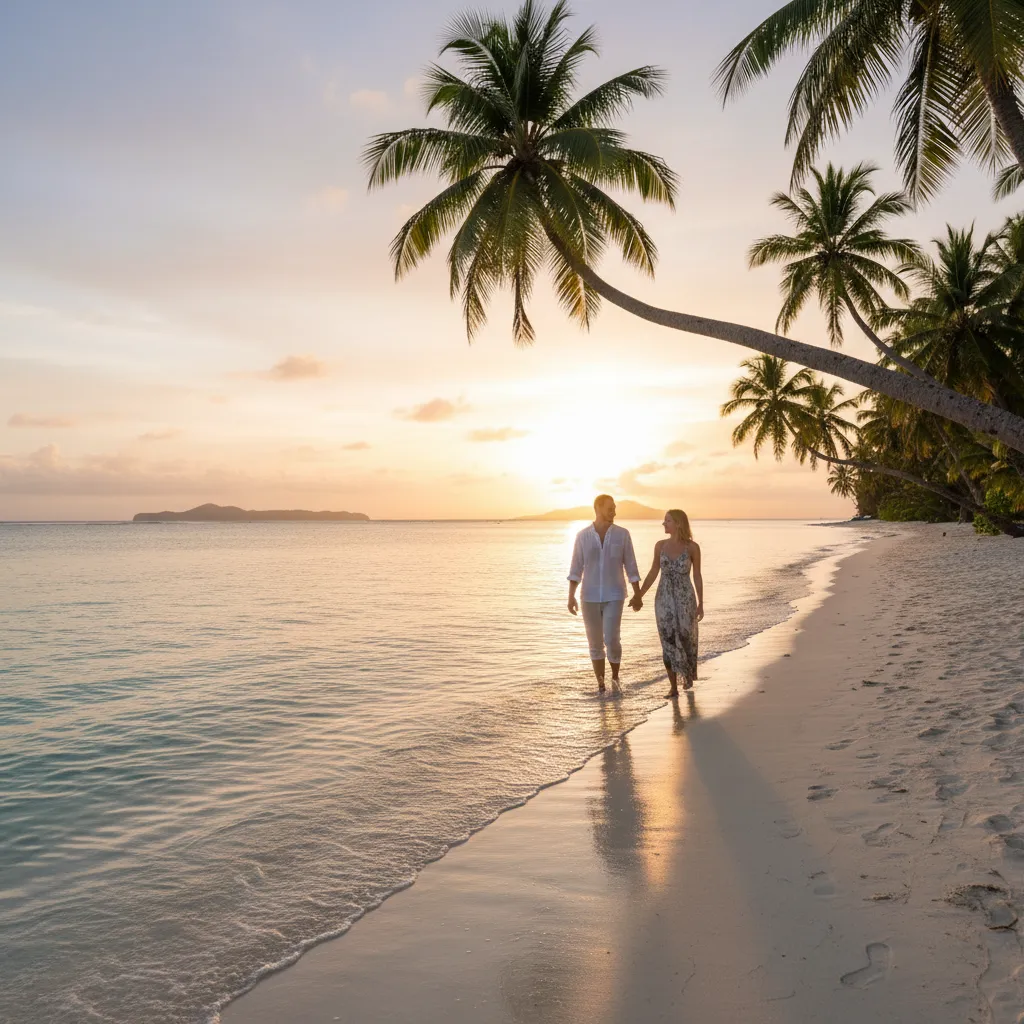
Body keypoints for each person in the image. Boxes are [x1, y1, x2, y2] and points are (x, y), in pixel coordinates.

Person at [567, 495, 642, 694]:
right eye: (611, 508)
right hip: (589, 596)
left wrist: (637, 594)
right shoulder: (582, 536)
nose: (614, 512)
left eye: (615, 508)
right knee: (595, 642)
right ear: (598, 508)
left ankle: (615, 678)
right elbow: (576, 568)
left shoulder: (622, 534)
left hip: (615, 594)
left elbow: (631, 566)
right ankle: (601, 685)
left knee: (612, 639)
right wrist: (571, 596)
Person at [631, 508, 704, 698]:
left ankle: (687, 676)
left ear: (679, 523)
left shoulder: (693, 548)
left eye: (668, 521)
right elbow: (654, 571)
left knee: (687, 637)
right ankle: (673, 687)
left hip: (685, 599)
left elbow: (696, 576)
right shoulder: (660, 546)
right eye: (664, 521)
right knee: (668, 639)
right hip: (663, 599)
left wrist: (701, 603)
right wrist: (639, 594)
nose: (664, 524)